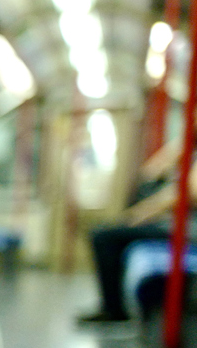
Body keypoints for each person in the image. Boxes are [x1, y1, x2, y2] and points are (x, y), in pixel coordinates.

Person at [79, 137, 193, 323]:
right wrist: (180, 148)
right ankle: (114, 306)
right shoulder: (188, 152)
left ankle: (114, 310)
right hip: (174, 226)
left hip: (187, 231)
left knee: (104, 237)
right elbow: (150, 172)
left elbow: (183, 194)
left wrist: (138, 216)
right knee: (108, 233)